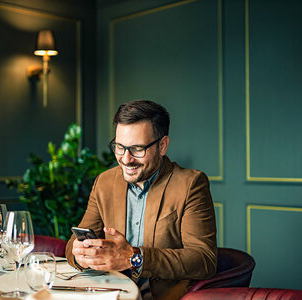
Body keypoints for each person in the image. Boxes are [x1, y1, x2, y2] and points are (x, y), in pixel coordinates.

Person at [65, 100, 217, 300]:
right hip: (108, 293)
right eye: (119, 147)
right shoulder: (104, 182)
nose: (126, 159)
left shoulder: (191, 184)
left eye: (137, 149)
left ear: (162, 146)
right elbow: (71, 247)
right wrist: (80, 253)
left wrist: (134, 258)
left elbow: (203, 260)